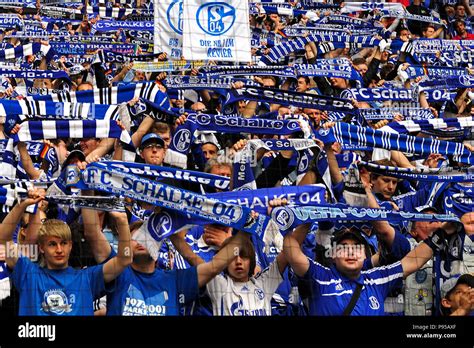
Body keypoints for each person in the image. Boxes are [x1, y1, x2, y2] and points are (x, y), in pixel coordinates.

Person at [283, 219, 462, 315]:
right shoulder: (319, 276)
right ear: (333, 255)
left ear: (365, 255)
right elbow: (291, 251)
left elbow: (412, 261)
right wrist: (305, 217)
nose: (351, 252)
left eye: (357, 248)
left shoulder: (377, 279)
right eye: (344, 248)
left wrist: (441, 233)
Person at [1, 188, 132, 316]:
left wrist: (122, 221)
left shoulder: (87, 278)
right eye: (52, 244)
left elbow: (124, 259)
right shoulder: (27, 273)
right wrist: (22, 205)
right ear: (41, 248)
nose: (59, 250)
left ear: (70, 245)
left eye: (63, 243)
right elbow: (3, 239)